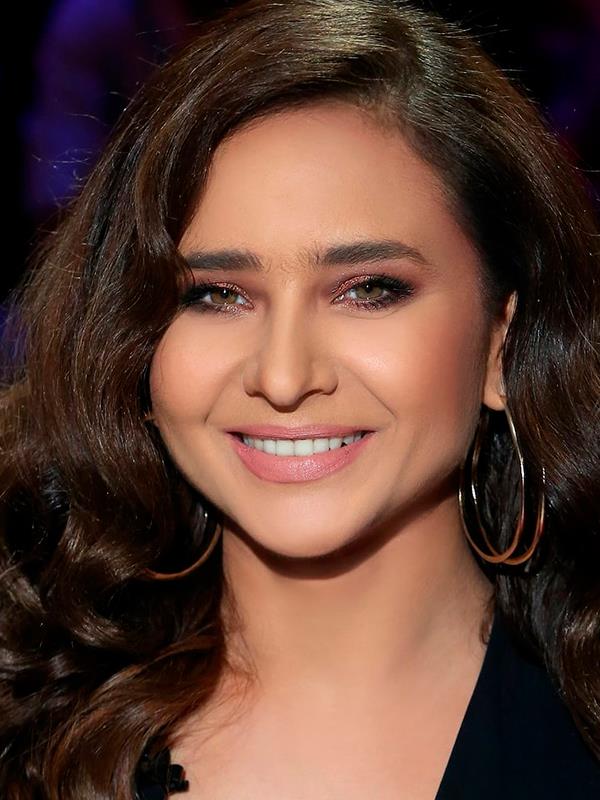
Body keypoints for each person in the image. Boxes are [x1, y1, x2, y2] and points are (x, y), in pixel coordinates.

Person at [1, 1, 599, 797]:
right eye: (216, 295)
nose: (283, 377)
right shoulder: (26, 721)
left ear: (501, 339)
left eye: (369, 290)